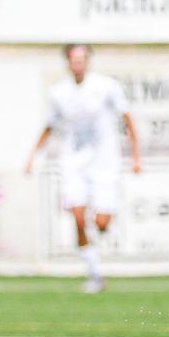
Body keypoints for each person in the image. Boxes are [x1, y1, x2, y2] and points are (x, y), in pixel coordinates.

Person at [25, 44, 142, 294]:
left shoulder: (106, 86)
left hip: (104, 162)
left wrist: (136, 156)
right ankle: (95, 274)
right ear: (67, 63)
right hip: (74, 163)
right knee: (78, 217)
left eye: (82, 59)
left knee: (101, 222)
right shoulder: (58, 93)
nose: (78, 64)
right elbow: (50, 126)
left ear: (88, 61)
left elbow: (127, 119)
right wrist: (33, 156)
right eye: (74, 60)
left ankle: (100, 224)